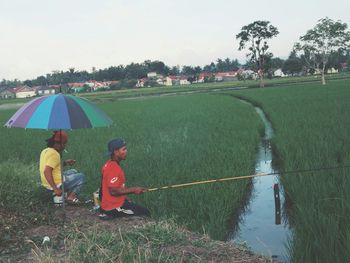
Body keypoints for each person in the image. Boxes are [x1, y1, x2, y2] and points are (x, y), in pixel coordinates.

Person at [99, 138, 150, 219]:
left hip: (108, 204)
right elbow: (113, 191)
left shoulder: (108, 164)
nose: (126, 151)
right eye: (124, 149)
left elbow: (104, 188)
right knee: (145, 213)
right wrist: (134, 189)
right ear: (116, 152)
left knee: (133, 206)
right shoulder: (113, 168)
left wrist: (125, 197)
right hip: (112, 207)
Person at [39, 130, 86, 205]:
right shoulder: (55, 154)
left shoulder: (45, 150)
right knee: (81, 176)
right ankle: (71, 197)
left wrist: (65, 163)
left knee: (73, 171)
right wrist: (56, 189)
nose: (64, 146)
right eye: (64, 144)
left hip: (46, 183)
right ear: (61, 144)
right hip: (57, 184)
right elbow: (47, 171)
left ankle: (66, 194)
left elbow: (53, 165)